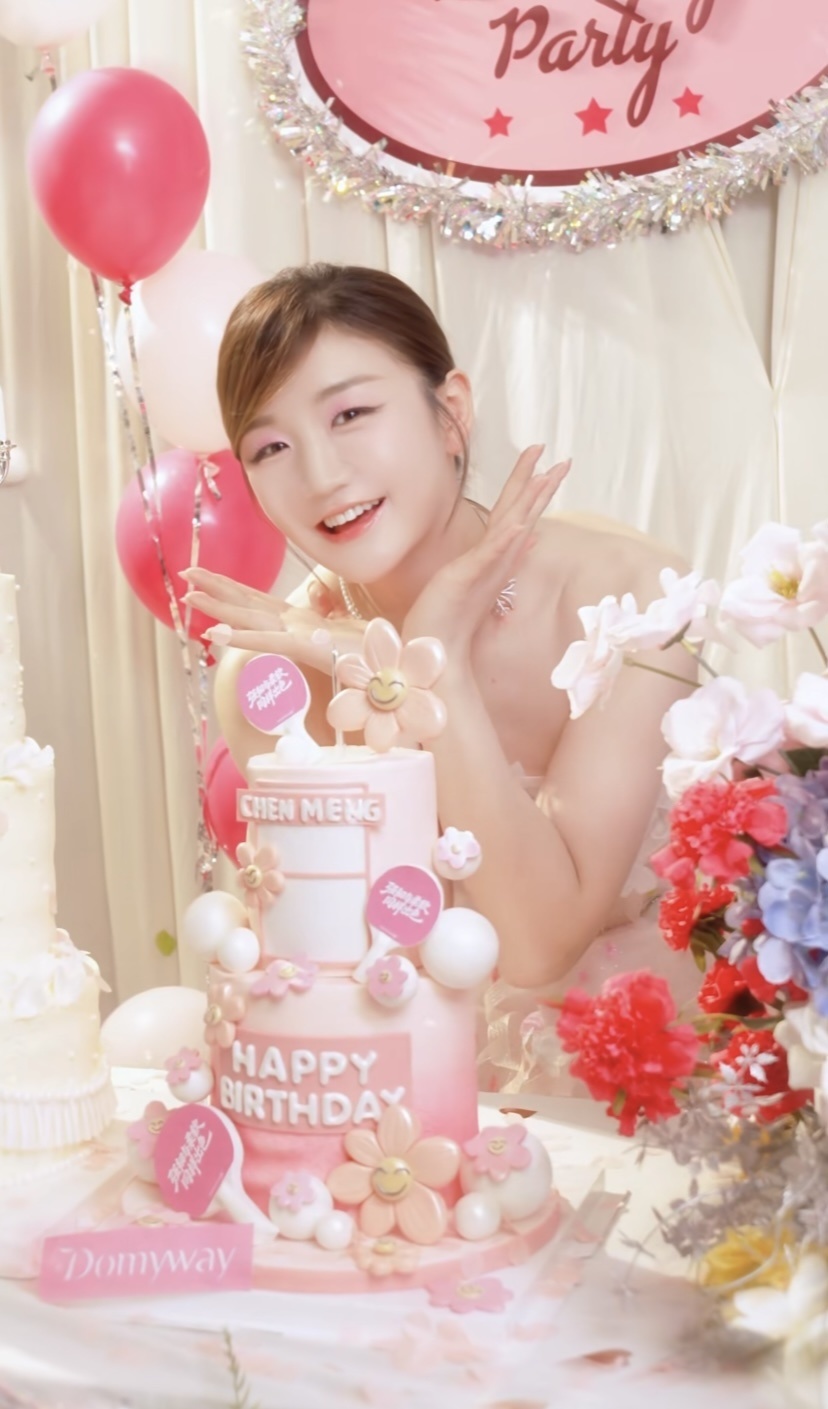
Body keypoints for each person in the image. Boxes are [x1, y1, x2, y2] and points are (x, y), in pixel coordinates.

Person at [183, 263, 698, 1096]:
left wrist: (424, 664)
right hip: (411, 1090)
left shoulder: (622, 598)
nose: (321, 475)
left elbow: (539, 944)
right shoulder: (274, 681)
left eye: (351, 413)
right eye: (271, 447)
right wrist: (415, 658)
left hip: (660, 1068)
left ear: (450, 411)